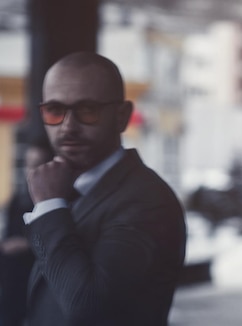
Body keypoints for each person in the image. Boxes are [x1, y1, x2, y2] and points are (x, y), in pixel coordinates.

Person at [23, 52, 186, 326]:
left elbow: (88, 307)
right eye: (54, 110)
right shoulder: (71, 188)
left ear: (122, 116)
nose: (68, 126)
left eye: (88, 110)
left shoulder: (147, 201)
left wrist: (49, 207)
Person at [0, 143, 52, 326]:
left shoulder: (54, 204)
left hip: (32, 292)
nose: (32, 170)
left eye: (38, 163)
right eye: (29, 163)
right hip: (9, 288)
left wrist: (25, 244)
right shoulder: (17, 199)